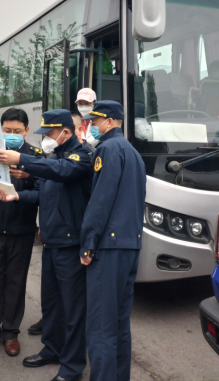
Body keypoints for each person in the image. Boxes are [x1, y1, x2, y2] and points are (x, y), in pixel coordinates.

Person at [0, 109, 93, 381]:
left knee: (72, 309)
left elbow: (62, 172)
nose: (45, 139)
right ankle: (53, 349)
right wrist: (18, 196)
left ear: (66, 132)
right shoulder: (54, 157)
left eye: (49, 134)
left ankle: (72, 366)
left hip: (70, 244)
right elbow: (43, 194)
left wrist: (22, 159)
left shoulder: (81, 156)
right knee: (51, 303)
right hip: (50, 241)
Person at [80, 101, 146, 381]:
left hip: (108, 247)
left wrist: (88, 241)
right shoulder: (133, 152)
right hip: (130, 245)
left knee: (100, 326)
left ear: (109, 121)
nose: (92, 127)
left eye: (95, 122)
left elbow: (101, 200)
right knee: (119, 323)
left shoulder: (107, 150)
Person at [0, 108, 42, 357]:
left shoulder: (35, 156)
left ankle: (10, 332)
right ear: (0, 130)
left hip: (21, 230)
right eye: (7, 130)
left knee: (15, 282)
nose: (11, 134)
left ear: (26, 131)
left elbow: (43, 192)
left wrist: (28, 174)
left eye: (17, 131)